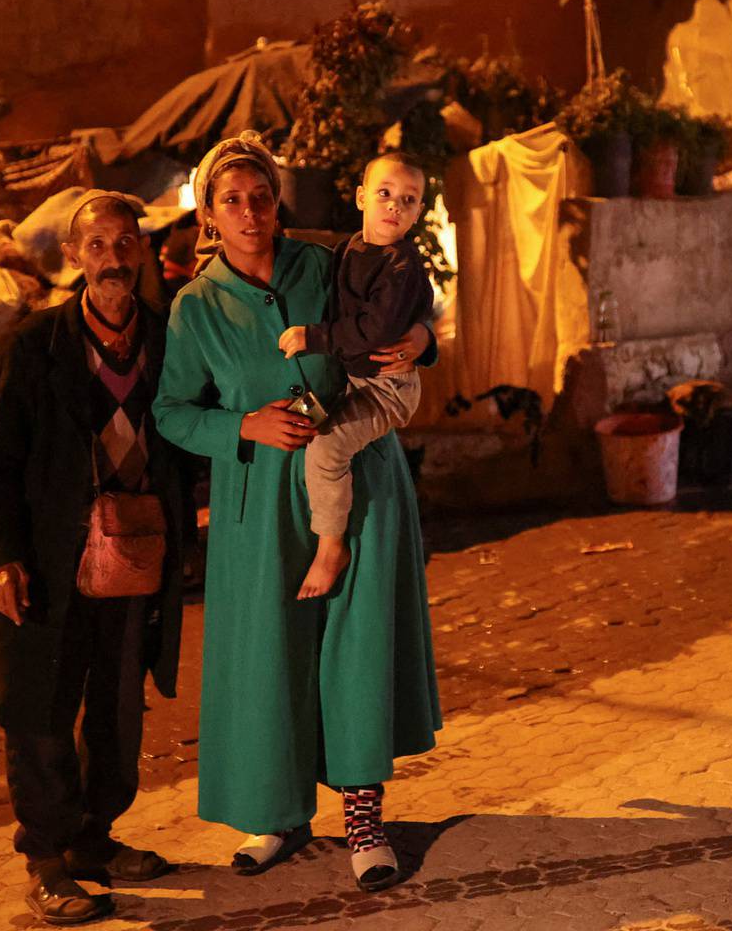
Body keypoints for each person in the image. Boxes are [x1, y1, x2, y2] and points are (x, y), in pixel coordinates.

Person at [154, 133, 441, 895]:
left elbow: (398, 305)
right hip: (256, 505)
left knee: (355, 649)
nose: (250, 212)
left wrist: (424, 339)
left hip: (357, 485)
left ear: (278, 200)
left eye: (261, 195)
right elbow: (172, 411)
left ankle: (363, 819)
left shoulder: (328, 263)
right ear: (208, 214)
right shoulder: (195, 306)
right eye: (231, 200)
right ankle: (277, 813)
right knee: (267, 661)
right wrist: (241, 426)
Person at [0, 190, 187, 926]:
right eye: (97, 246)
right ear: (73, 259)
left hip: (133, 561)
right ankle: (50, 860)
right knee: (42, 709)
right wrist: (4, 559)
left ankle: (96, 838)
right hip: (49, 565)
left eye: (126, 243)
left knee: (119, 709)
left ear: (144, 250)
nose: (114, 259)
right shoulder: (32, 348)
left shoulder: (165, 341)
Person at [276, 152, 433, 600]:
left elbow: (374, 330)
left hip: (387, 388)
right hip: (353, 378)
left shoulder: (401, 266)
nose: (394, 207)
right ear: (362, 197)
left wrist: (315, 337)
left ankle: (331, 548)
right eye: (385, 194)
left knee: (327, 448)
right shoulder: (349, 250)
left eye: (408, 200)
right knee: (301, 417)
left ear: (418, 212)